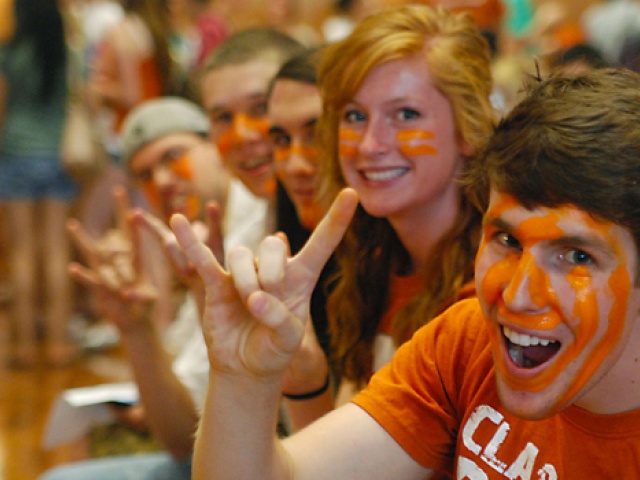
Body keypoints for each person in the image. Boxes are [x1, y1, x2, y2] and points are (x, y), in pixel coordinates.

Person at [173, 66, 640, 480]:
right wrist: (241, 380)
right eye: (508, 241)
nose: (517, 296)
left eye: (577, 257)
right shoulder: (467, 341)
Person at [280, 4, 494, 427]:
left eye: (406, 115)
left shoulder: (489, 291)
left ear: (468, 129)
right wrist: (300, 372)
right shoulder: (377, 262)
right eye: (355, 116)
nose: (369, 144)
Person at [40, 97, 227, 480]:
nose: (161, 181)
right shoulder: (196, 242)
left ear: (217, 146)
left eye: (173, 156)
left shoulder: (253, 231)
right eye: (144, 175)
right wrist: (135, 327)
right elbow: (184, 438)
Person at [0, 0, 80, 367]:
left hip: (15, 153)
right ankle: (59, 342)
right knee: (55, 252)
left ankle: (25, 344)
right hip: (57, 154)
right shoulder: (65, 54)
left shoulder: (11, 53)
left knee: (21, 253)